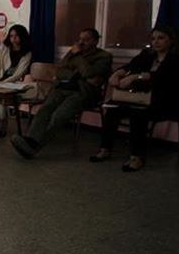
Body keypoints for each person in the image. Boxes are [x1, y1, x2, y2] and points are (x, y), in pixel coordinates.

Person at [90, 25, 179, 172]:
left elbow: (166, 78)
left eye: (161, 38)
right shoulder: (148, 55)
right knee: (112, 109)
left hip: (165, 101)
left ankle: (136, 157)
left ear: (171, 40)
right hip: (141, 97)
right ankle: (105, 149)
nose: (156, 42)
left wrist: (137, 76)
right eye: (153, 39)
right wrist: (118, 73)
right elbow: (131, 65)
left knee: (138, 113)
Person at [10, 27, 112, 158]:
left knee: (58, 116)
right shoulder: (72, 52)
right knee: (45, 109)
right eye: (80, 39)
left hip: (83, 92)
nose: (81, 42)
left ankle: (35, 147)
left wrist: (78, 58)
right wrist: (78, 75)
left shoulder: (104, 57)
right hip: (63, 87)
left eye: (86, 40)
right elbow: (59, 71)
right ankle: (29, 140)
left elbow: (89, 73)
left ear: (95, 41)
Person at [0, 24, 33, 138]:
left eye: (16, 36)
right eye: (11, 36)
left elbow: (19, 73)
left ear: (22, 37)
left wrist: (3, 83)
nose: (13, 39)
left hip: (11, 83)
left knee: (1, 102)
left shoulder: (27, 53)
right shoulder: (4, 47)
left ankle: (3, 125)